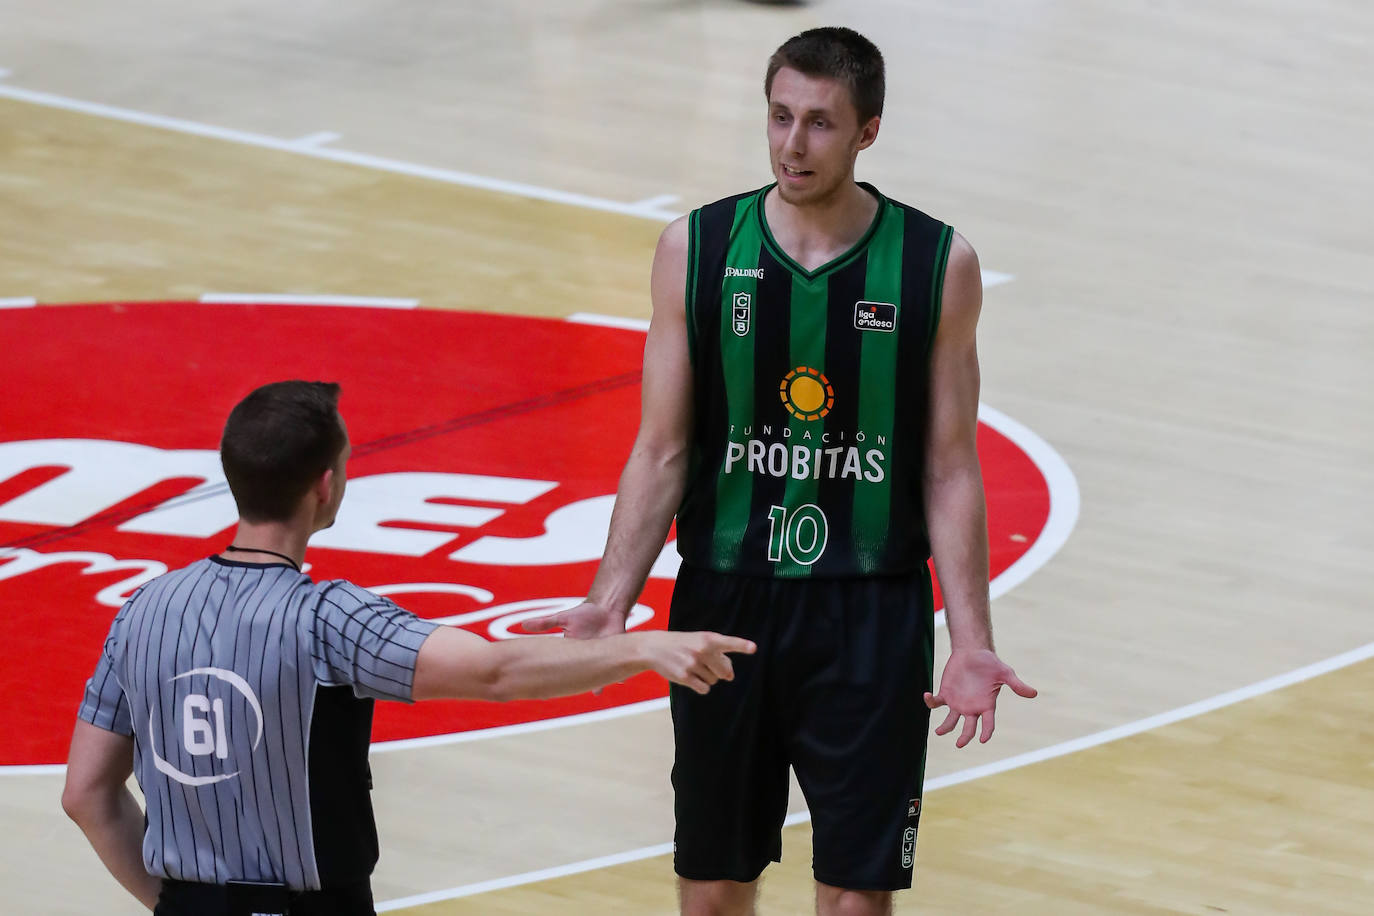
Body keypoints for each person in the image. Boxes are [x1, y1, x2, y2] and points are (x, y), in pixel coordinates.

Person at [522, 26, 1037, 916]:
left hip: (870, 612)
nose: (794, 145)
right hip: (727, 602)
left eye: (821, 124)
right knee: (713, 890)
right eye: (779, 118)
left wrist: (972, 638)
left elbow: (950, 468)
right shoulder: (698, 248)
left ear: (869, 131)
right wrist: (612, 598)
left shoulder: (936, 263)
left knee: (853, 900)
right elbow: (662, 448)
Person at [61, 379, 754, 916]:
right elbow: (497, 672)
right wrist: (644, 648)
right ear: (326, 486)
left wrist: (172, 905)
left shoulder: (142, 611)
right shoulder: (327, 619)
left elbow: (87, 795)